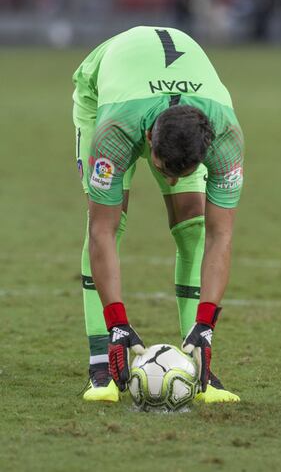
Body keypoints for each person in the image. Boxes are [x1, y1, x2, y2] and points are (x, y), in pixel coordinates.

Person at [72, 26, 244, 404]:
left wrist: (207, 324)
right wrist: (118, 322)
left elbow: (221, 236)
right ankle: (101, 365)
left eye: (178, 173)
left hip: (168, 92)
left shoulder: (226, 140)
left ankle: (200, 363)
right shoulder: (115, 134)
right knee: (110, 219)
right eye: (163, 168)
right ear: (149, 140)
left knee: (194, 223)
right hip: (104, 92)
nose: (166, 179)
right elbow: (102, 230)